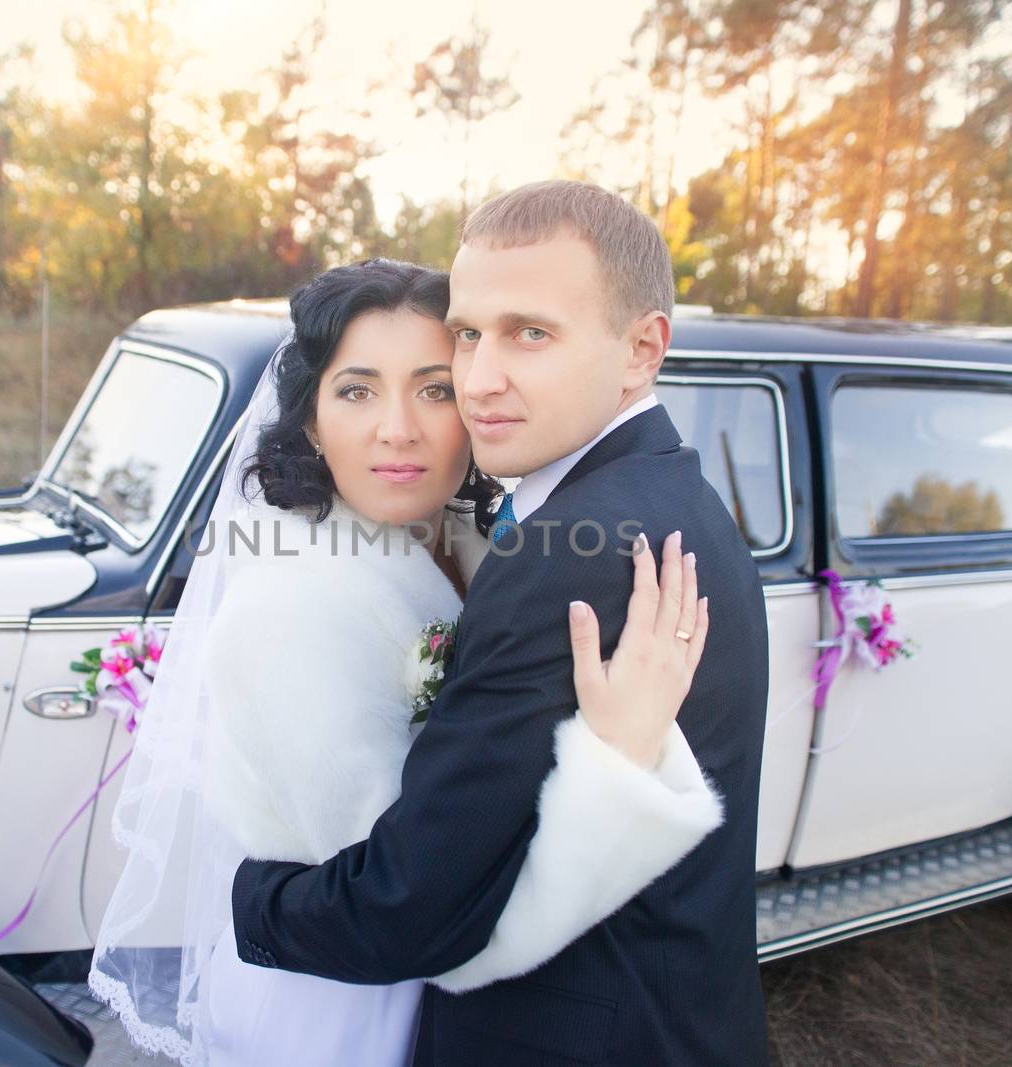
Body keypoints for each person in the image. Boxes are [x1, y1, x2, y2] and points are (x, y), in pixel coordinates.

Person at [89, 256, 724, 1066]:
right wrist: (621, 761)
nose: (399, 428)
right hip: (336, 1006)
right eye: (357, 390)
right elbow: (421, 902)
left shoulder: (483, 552)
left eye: (433, 388)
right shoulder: (288, 605)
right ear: (312, 421)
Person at [229, 181, 773, 1066]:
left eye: (531, 333)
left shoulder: (566, 554)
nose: (481, 380)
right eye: (470, 334)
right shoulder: (668, 489)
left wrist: (252, 903)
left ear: (642, 350)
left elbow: (412, 904)